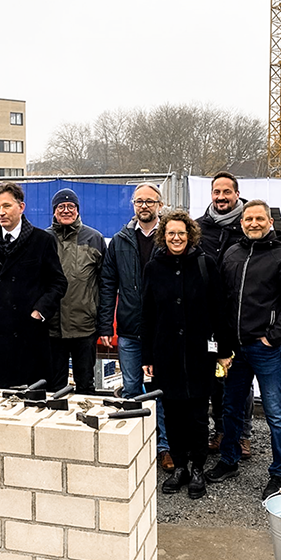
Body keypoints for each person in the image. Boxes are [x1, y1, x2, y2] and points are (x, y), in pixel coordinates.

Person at [206, 199, 281, 500]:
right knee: (231, 407)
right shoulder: (232, 254)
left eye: (259, 219)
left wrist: (273, 337)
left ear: (270, 222)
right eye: (249, 219)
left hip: (266, 349)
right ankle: (228, 460)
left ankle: (279, 473)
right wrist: (222, 344)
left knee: (275, 412)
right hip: (233, 350)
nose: (253, 223)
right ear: (242, 222)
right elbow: (221, 301)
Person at [142, 210, 228, 500]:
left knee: (198, 415)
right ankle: (179, 465)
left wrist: (223, 352)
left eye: (181, 233)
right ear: (163, 236)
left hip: (200, 354)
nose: (176, 238)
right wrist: (147, 356)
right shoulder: (154, 267)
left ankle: (198, 469)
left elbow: (219, 312)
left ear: (190, 235)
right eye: (170, 234)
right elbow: (148, 314)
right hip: (166, 353)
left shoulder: (206, 264)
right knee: (174, 414)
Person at [99, 182, 172, 470]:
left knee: (160, 390)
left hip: (161, 330)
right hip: (129, 328)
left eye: (150, 201)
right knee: (130, 389)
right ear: (133, 205)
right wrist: (106, 325)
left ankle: (163, 446)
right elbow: (107, 284)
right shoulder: (120, 240)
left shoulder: (169, 238)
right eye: (139, 201)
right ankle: (133, 446)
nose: (144, 206)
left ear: (160, 205)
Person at [0, 182, 67, 388]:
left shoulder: (42, 240)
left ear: (21, 207)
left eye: (7, 206)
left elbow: (58, 282)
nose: (1, 212)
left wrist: (39, 311)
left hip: (27, 336)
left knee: (28, 400)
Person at [195, 171, 255, 459]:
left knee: (240, 381)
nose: (221, 197)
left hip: (240, 316)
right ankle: (220, 431)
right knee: (215, 378)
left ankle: (242, 434)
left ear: (236, 194)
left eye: (226, 192)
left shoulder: (249, 226)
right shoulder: (198, 228)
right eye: (216, 192)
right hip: (207, 317)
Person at [46, 188, 106, 394]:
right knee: (54, 388)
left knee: (86, 386)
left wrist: (102, 321)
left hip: (84, 326)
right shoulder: (43, 239)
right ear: (54, 211)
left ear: (78, 210)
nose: (66, 210)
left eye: (70, 206)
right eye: (60, 206)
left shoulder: (94, 238)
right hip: (52, 327)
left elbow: (104, 283)